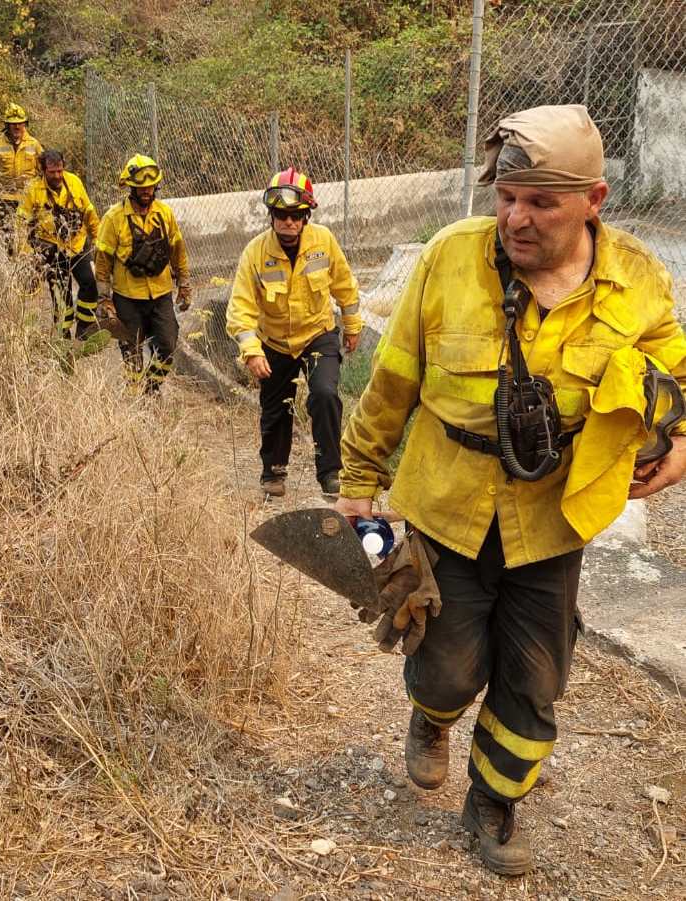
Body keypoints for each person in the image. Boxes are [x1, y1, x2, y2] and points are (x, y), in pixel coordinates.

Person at [335, 105, 686, 876]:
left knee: (535, 679)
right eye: (505, 197)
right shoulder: (449, 257)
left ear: (592, 199)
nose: (514, 218)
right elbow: (392, 380)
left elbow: (676, 371)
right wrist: (358, 480)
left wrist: (681, 440)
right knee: (448, 666)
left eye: (539, 203)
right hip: (443, 503)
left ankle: (493, 802)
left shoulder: (637, 280)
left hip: (554, 516)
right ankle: (430, 715)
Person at [226, 167, 362, 498]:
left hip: (318, 333)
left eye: (296, 215)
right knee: (276, 407)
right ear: (272, 215)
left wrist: (352, 325)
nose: (289, 222)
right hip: (274, 341)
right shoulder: (255, 253)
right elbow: (240, 309)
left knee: (325, 395)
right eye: (282, 215)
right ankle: (273, 472)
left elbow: (344, 284)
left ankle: (330, 472)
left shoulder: (324, 241)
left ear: (306, 216)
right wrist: (252, 351)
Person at [93, 154, 191, 394]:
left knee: (167, 345)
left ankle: (152, 387)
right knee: (131, 350)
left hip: (161, 295)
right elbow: (103, 261)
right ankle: (136, 399)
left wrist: (185, 285)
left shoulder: (165, 214)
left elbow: (178, 250)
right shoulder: (113, 219)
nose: (146, 190)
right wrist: (104, 299)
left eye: (150, 186)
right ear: (130, 187)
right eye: (140, 187)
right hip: (127, 298)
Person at [17, 149, 101, 338]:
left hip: (77, 244)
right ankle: (63, 335)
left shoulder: (74, 182)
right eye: (52, 172)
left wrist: (97, 238)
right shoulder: (33, 189)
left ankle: (84, 330)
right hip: (51, 247)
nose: (57, 176)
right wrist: (25, 250)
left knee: (89, 284)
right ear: (43, 170)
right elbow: (21, 220)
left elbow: (88, 211)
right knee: (60, 293)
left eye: (60, 171)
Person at [0, 103, 43, 252]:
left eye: (20, 123)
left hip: (28, 198)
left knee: (30, 236)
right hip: (5, 198)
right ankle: (11, 264)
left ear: (25, 124)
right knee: (8, 236)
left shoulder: (34, 144)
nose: (17, 127)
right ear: (7, 125)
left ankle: (29, 264)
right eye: (13, 124)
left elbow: (43, 171)